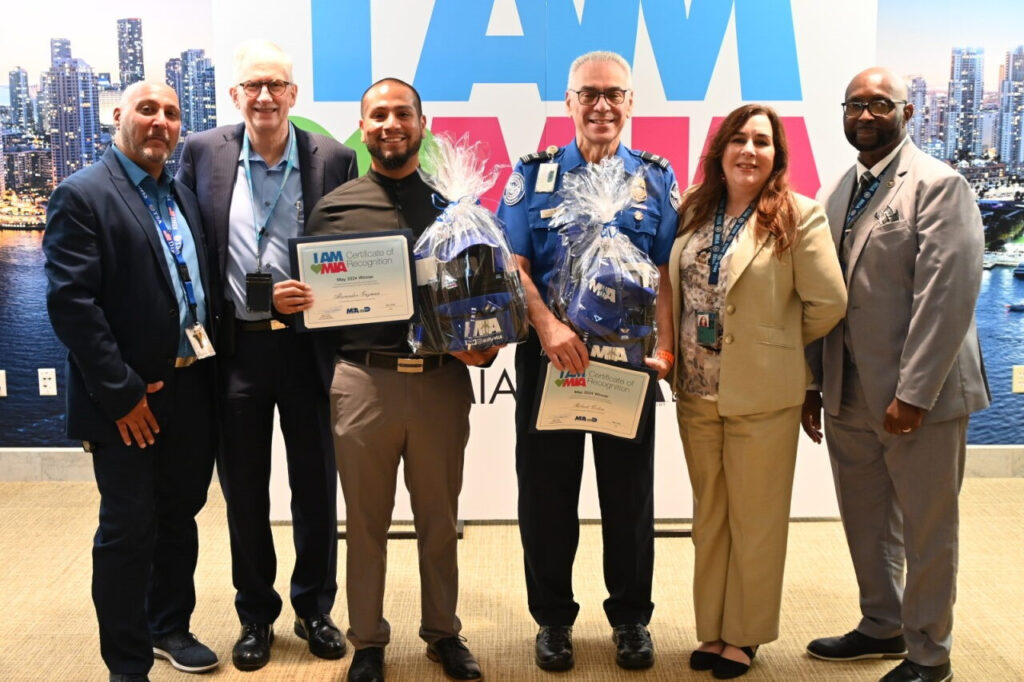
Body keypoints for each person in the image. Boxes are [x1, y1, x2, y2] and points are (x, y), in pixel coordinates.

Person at [272, 77, 489, 682]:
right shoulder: (334, 209)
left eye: (402, 114)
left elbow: (483, 297)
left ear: (422, 124)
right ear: (363, 128)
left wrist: (484, 341)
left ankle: (442, 633)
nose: (390, 125)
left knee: (439, 520)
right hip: (363, 383)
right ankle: (367, 640)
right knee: (365, 523)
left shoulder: (455, 209)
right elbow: (313, 310)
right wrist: (289, 304)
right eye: (378, 116)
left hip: (441, 380)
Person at [803, 67, 989, 682]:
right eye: (854, 104)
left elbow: (947, 296)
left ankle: (930, 654)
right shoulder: (838, 191)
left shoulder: (939, 185)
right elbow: (822, 297)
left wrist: (914, 394)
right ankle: (881, 623)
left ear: (907, 113)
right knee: (866, 519)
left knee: (928, 527)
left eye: (880, 103)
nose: (865, 114)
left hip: (920, 397)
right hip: (848, 390)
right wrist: (813, 384)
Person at [176, 40, 357, 671]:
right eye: (252, 85)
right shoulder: (202, 152)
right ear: (235, 95)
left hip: (310, 351)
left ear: (293, 94)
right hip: (238, 352)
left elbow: (351, 249)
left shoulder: (333, 158)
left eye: (276, 84)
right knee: (245, 492)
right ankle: (255, 614)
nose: (264, 96)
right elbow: (189, 247)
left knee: (316, 487)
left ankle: (315, 608)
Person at [496, 50, 677, 672]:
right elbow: (513, 264)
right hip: (552, 357)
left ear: (631, 102)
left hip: (628, 365)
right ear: (569, 102)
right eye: (589, 94)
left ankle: (630, 619)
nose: (602, 106)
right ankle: (553, 620)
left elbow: (665, 274)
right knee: (546, 496)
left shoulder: (655, 178)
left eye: (614, 94)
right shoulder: (534, 175)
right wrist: (547, 326)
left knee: (629, 498)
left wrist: (665, 349)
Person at [43, 82, 219, 682]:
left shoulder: (182, 194)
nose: (160, 121)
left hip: (191, 387)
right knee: (128, 528)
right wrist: (121, 393)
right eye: (147, 110)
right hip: (127, 401)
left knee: (180, 515)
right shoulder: (82, 194)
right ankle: (127, 663)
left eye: (171, 113)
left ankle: (168, 626)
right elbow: (72, 306)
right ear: (117, 116)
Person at [668, 104, 847, 679]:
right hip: (696, 390)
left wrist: (774, 344)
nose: (749, 150)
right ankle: (713, 628)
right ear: (720, 149)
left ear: (777, 156)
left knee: (757, 520)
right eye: (739, 139)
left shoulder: (799, 215)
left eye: (762, 142)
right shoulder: (693, 209)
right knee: (710, 517)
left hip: (764, 393)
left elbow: (829, 303)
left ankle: (744, 636)